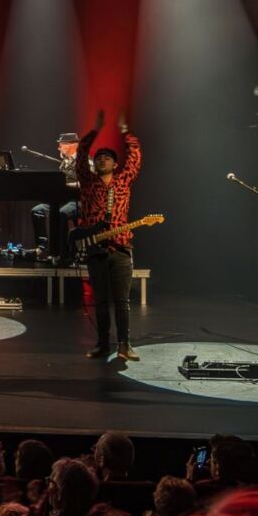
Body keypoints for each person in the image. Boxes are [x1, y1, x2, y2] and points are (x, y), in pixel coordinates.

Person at [77, 110, 143, 361]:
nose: (102, 160)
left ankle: (125, 345)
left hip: (121, 248)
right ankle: (103, 344)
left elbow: (135, 156)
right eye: (100, 158)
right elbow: (82, 154)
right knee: (101, 301)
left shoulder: (124, 181)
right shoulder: (88, 181)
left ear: (115, 164)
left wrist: (125, 132)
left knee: (122, 301)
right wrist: (95, 129)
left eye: (107, 157)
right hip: (95, 249)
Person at [32, 133, 82, 260]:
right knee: (37, 211)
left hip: (78, 200)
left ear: (73, 145)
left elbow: (89, 183)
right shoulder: (64, 162)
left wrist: (67, 185)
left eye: (61, 144)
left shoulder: (85, 162)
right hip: (61, 200)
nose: (59, 147)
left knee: (62, 213)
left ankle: (62, 252)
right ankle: (42, 248)